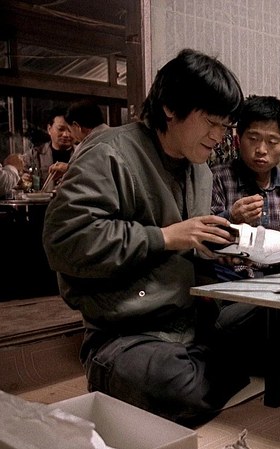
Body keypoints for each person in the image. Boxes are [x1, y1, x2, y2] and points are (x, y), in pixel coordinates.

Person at [42, 49, 266, 425]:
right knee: (175, 384)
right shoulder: (109, 153)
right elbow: (65, 241)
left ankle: (219, 365)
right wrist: (165, 237)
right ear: (170, 107)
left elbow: (186, 251)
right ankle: (225, 368)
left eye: (225, 125)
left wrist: (217, 246)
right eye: (212, 122)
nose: (219, 136)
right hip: (125, 335)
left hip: (192, 323)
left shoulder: (200, 170)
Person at [210, 95, 280, 279]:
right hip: (232, 278)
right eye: (253, 138)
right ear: (238, 138)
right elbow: (204, 240)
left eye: (272, 142)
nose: (261, 150)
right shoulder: (217, 178)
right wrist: (231, 218)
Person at [30, 107, 74, 190]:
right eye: (61, 129)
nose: (66, 134)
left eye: (70, 130)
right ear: (49, 129)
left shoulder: (83, 154)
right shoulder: (34, 155)